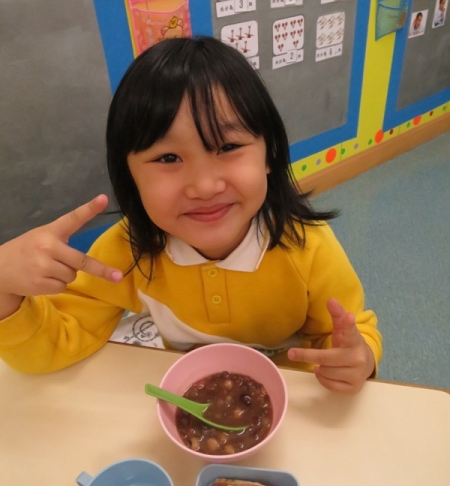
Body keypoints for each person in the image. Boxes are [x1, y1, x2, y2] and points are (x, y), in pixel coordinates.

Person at [0, 36, 382, 394]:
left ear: (270, 155)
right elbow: (57, 343)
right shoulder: (126, 250)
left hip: (292, 400)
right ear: (130, 176)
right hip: (188, 401)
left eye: (228, 147)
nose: (204, 186)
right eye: (168, 158)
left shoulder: (307, 245)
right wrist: (5, 292)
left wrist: (358, 359)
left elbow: (349, 334)